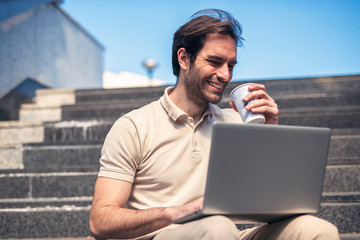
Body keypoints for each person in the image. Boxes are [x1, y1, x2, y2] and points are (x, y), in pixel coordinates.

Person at [89, 9, 339, 240]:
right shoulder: (134, 126)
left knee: (316, 230)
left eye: (231, 65)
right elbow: (100, 222)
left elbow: (272, 204)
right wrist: (181, 212)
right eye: (215, 61)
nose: (226, 75)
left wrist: (269, 133)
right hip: (165, 234)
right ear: (184, 58)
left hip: (226, 234)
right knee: (216, 227)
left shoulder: (235, 122)